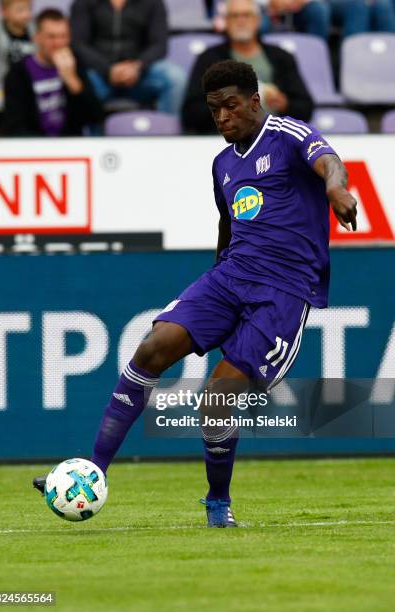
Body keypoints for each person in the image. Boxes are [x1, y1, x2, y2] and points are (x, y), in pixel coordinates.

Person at [33, 59, 357, 527]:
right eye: (214, 109)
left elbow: (330, 162)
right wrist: (212, 285)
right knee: (152, 348)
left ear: (254, 101)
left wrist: (336, 192)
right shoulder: (222, 164)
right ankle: (91, 472)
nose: (223, 117)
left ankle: (217, 501)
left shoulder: (287, 135)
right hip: (231, 276)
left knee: (216, 398)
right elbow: (227, 225)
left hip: (283, 290)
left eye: (230, 106)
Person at [182, 0, 313, 134]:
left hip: (275, 139)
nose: (241, 21)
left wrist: (284, 104)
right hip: (226, 141)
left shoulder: (282, 57)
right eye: (234, 16)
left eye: (246, 15)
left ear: (258, 20)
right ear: (225, 21)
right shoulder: (209, 59)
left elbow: (305, 108)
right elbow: (191, 113)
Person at [70, 0, 186, 115]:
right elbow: (78, 44)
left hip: (140, 73)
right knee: (77, 81)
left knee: (175, 78)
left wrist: (137, 67)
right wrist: (108, 69)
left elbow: (159, 45)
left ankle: (169, 130)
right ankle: (91, 132)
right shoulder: (83, 3)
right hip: (98, 73)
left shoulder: (153, 3)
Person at [3, 8, 102, 136]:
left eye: (63, 36)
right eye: (51, 37)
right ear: (37, 37)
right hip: (33, 147)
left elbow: (95, 116)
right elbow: (14, 126)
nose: (59, 43)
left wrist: (72, 81)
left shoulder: (76, 63)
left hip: (70, 146)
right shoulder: (18, 72)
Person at [0, 0, 34, 111]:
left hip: (29, 90)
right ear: (4, 12)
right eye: (20, 10)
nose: (27, 14)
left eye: (29, 9)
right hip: (3, 92)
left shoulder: (34, 30)